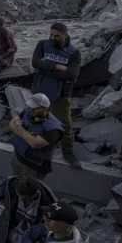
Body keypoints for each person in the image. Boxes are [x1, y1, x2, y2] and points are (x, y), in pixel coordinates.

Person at [31, 22, 81, 168]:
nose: (53, 38)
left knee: (65, 125)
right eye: (51, 35)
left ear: (65, 35)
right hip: (41, 91)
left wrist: (45, 68)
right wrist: (56, 67)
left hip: (61, 95)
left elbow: (72, 75)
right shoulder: (42, 45)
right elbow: (35, 63)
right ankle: (36, 149)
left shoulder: (74, 52)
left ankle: (68, 153)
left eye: (57, 36)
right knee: (38, 122)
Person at [9, 93, 64, 181]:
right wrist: (27, 136)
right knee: (14, 183)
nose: (31, 109)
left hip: (34, 167)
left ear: (45, 108)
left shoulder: (53, 129)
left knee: (29, 190)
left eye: (35, 108)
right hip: (18, 158)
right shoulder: (28, 110)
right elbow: (12, 124)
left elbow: (34, 144)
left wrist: (19, 127)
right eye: (31, 106)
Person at [22, 202, 88, 243]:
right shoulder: (46, 228)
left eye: (51, 219)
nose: (45, 219)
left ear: (67, 227)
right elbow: (27, 233)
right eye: (46, 216)